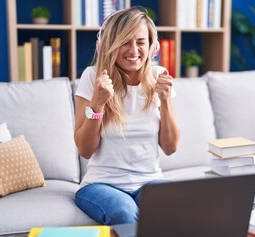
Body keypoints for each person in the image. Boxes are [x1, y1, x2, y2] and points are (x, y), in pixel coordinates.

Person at [73, 6, 180, 225]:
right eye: (124, 41)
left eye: (140, 42)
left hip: (149, 180)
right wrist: (98, 104)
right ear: (109, 45)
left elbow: (170, 148)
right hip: (101, 184)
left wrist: (167, 100)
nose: (133, 50)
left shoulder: (159, 76)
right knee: (124, 211)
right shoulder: (92, 77)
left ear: (152, 46)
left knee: (176, 205)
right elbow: (85, 150)